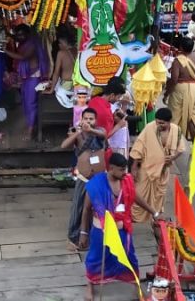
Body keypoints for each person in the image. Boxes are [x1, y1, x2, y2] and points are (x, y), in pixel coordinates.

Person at [78, 153, 157, 301]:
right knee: (96, 258)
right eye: (121, 169)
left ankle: (135, 284)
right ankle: (90, 284)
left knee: (130, 257)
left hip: (122, 228)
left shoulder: (126, 180)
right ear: (111, 168)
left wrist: (154, 212)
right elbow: (86, 209)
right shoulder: (96, 184)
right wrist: (84, 232)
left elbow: (135, 196)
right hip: (101, 229)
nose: (124, 172)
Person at [62, 107, 107, 250]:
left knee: (99, 209)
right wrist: (78, 133)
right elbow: (64, 146)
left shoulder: (100, 131)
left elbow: (103, 135)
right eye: (86, 118)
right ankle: (74, 238)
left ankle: (97, 237)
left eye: (91, 119)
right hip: (84, 177)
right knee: (78, 207)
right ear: (81, 119)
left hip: (99, 178)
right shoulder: (77, 133)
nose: (88, 121)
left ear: (96, 120)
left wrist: (91, 130)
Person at [130, 108, 183, 224]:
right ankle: (137, 222)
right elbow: (138, 146)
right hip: (146, 170)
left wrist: (173, 157)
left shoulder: (176, 130)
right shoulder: (149, 127)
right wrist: (134, 167)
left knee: (159, 197)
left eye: (162, 123)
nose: (159, 125)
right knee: (139, 197)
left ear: (170, 122)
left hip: (163, 172)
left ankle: (155, 220)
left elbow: (180, 149)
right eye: (157, 122)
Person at [3, 24, 49, 140]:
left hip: (33, 78)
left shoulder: (32, 45)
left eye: (22, 35)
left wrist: (5, 51)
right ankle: (30, 127)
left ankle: (30, 132)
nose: (19, 37)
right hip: (27, 78)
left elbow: (22, 57)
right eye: (17, 35)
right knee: (26, 103)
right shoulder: (24, 42)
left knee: (30, 104)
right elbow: (16, 38)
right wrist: (8, 34)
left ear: (28, 35)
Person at [165, 37, 195, 142]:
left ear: (180, 47)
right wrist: (194, 37)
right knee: (193, 118)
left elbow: (174, 80)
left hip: (180, 89)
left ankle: (172, 145)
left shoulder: (177, 60)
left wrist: (166, 94)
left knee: (174, 117)